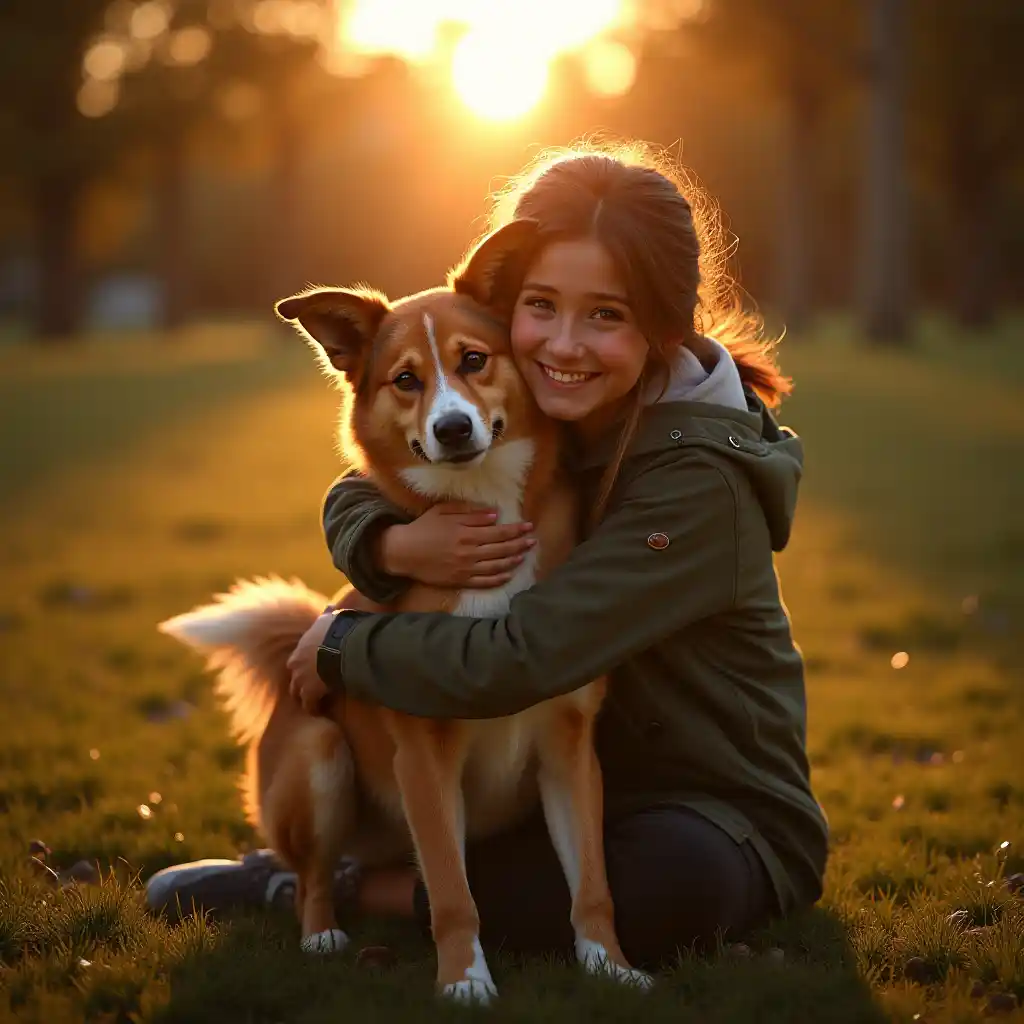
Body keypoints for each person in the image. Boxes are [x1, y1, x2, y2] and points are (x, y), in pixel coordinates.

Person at [146, 142, 828, 971]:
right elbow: (380, 471)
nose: (566, 343)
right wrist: (390, 540)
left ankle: (330, 889)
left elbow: (523, 658)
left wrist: (342, 645)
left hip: (717, 809)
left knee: (672, 883)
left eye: (606, 315)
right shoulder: (543, 413)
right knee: (545, 843)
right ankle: (352, 869)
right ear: (508, 306)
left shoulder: (699, 483)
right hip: (578, 781)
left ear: (663, 321)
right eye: (542, 306)